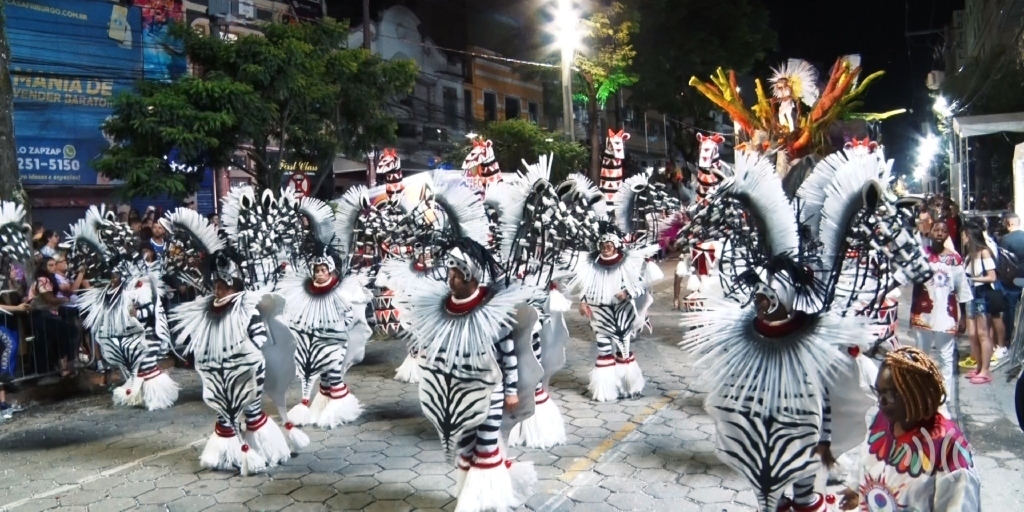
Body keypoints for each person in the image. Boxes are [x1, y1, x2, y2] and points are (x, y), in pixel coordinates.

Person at [838, 347, 980, 511]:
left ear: (915, 394)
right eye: (878, 392)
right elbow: (866, 457)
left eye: (889, 395)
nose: (881, 402)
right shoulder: (883, 420)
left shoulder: (948, 446)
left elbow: (960, 503)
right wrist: (855, 487)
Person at [910, 221, 973, 406]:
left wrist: (964, 317)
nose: (939, 233)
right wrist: (912, 315)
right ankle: (920, 398)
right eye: (936, 230)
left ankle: (945, 402)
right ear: (929, 233)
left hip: (947, 314)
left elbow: (962, 289)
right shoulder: (920, 256)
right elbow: (914, 284)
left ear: (947, 235)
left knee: (946, 358)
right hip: (923, 314)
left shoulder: (955, 259)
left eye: (943, 231)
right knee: (921, 358)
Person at [959, 222, 997, 384]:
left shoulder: (984, 253)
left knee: (983, 334)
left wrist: (972, 279)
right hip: (971, 295)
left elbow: (992, 277)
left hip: (981, 294)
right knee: (973, 334)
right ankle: (978, 366)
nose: (962, 238)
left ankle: (985, 370)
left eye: (964, 234)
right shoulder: (969, 255)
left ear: (969, 235)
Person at [999, 213, 1024, 348]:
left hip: (1012, 279)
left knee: (1010, 309)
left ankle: (1009, 338)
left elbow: (1003, 262)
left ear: (1009, 224)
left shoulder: (1006, 239)